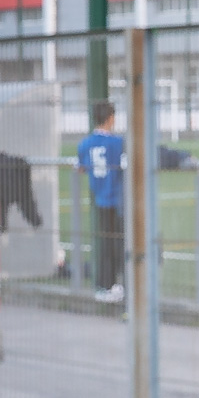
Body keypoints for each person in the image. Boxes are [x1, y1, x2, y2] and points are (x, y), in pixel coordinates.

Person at [76, 101, 124, 305]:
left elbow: (81, 168)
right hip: (117, 199)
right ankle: (113, 286)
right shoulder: (117, 143)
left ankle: (106, 285)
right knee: (119, 244)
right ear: (111, 118)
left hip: (101, 199)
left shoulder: (85, 144)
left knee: (105, 242)